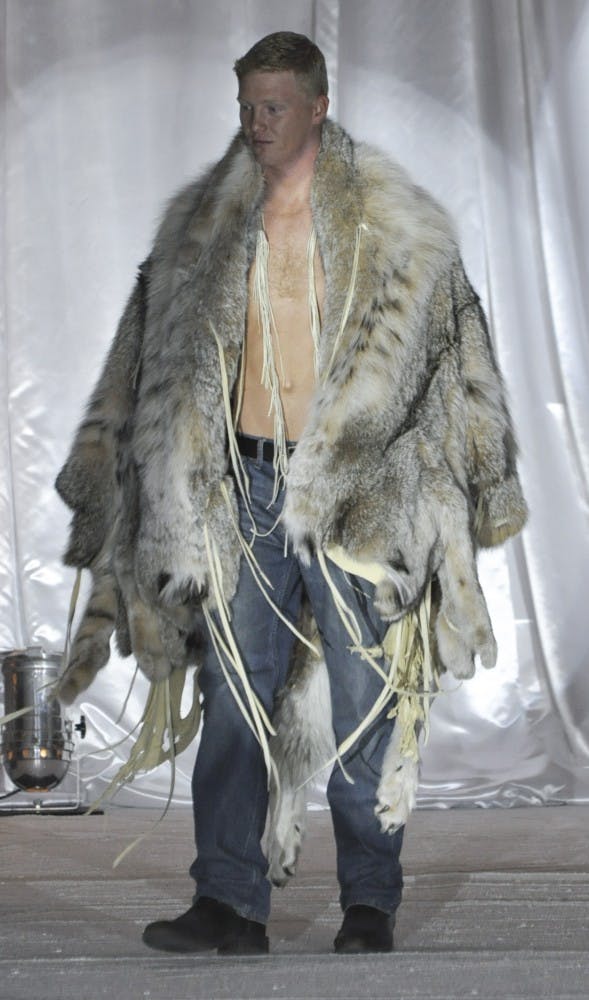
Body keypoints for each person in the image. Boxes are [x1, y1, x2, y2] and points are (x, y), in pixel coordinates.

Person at [55, 32, 527, 956]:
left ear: (317, 106)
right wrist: (112, 481)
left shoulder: (389, 226)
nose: (256, 124)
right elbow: (141, 352)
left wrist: (479, 475)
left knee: (363, 702)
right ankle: (229, 902)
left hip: (355, 496)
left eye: (274, 106)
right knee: (235, 696)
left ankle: (367, 903)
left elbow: (455, 347)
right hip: (244, 488)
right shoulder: (202, 226)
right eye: (245, 107)